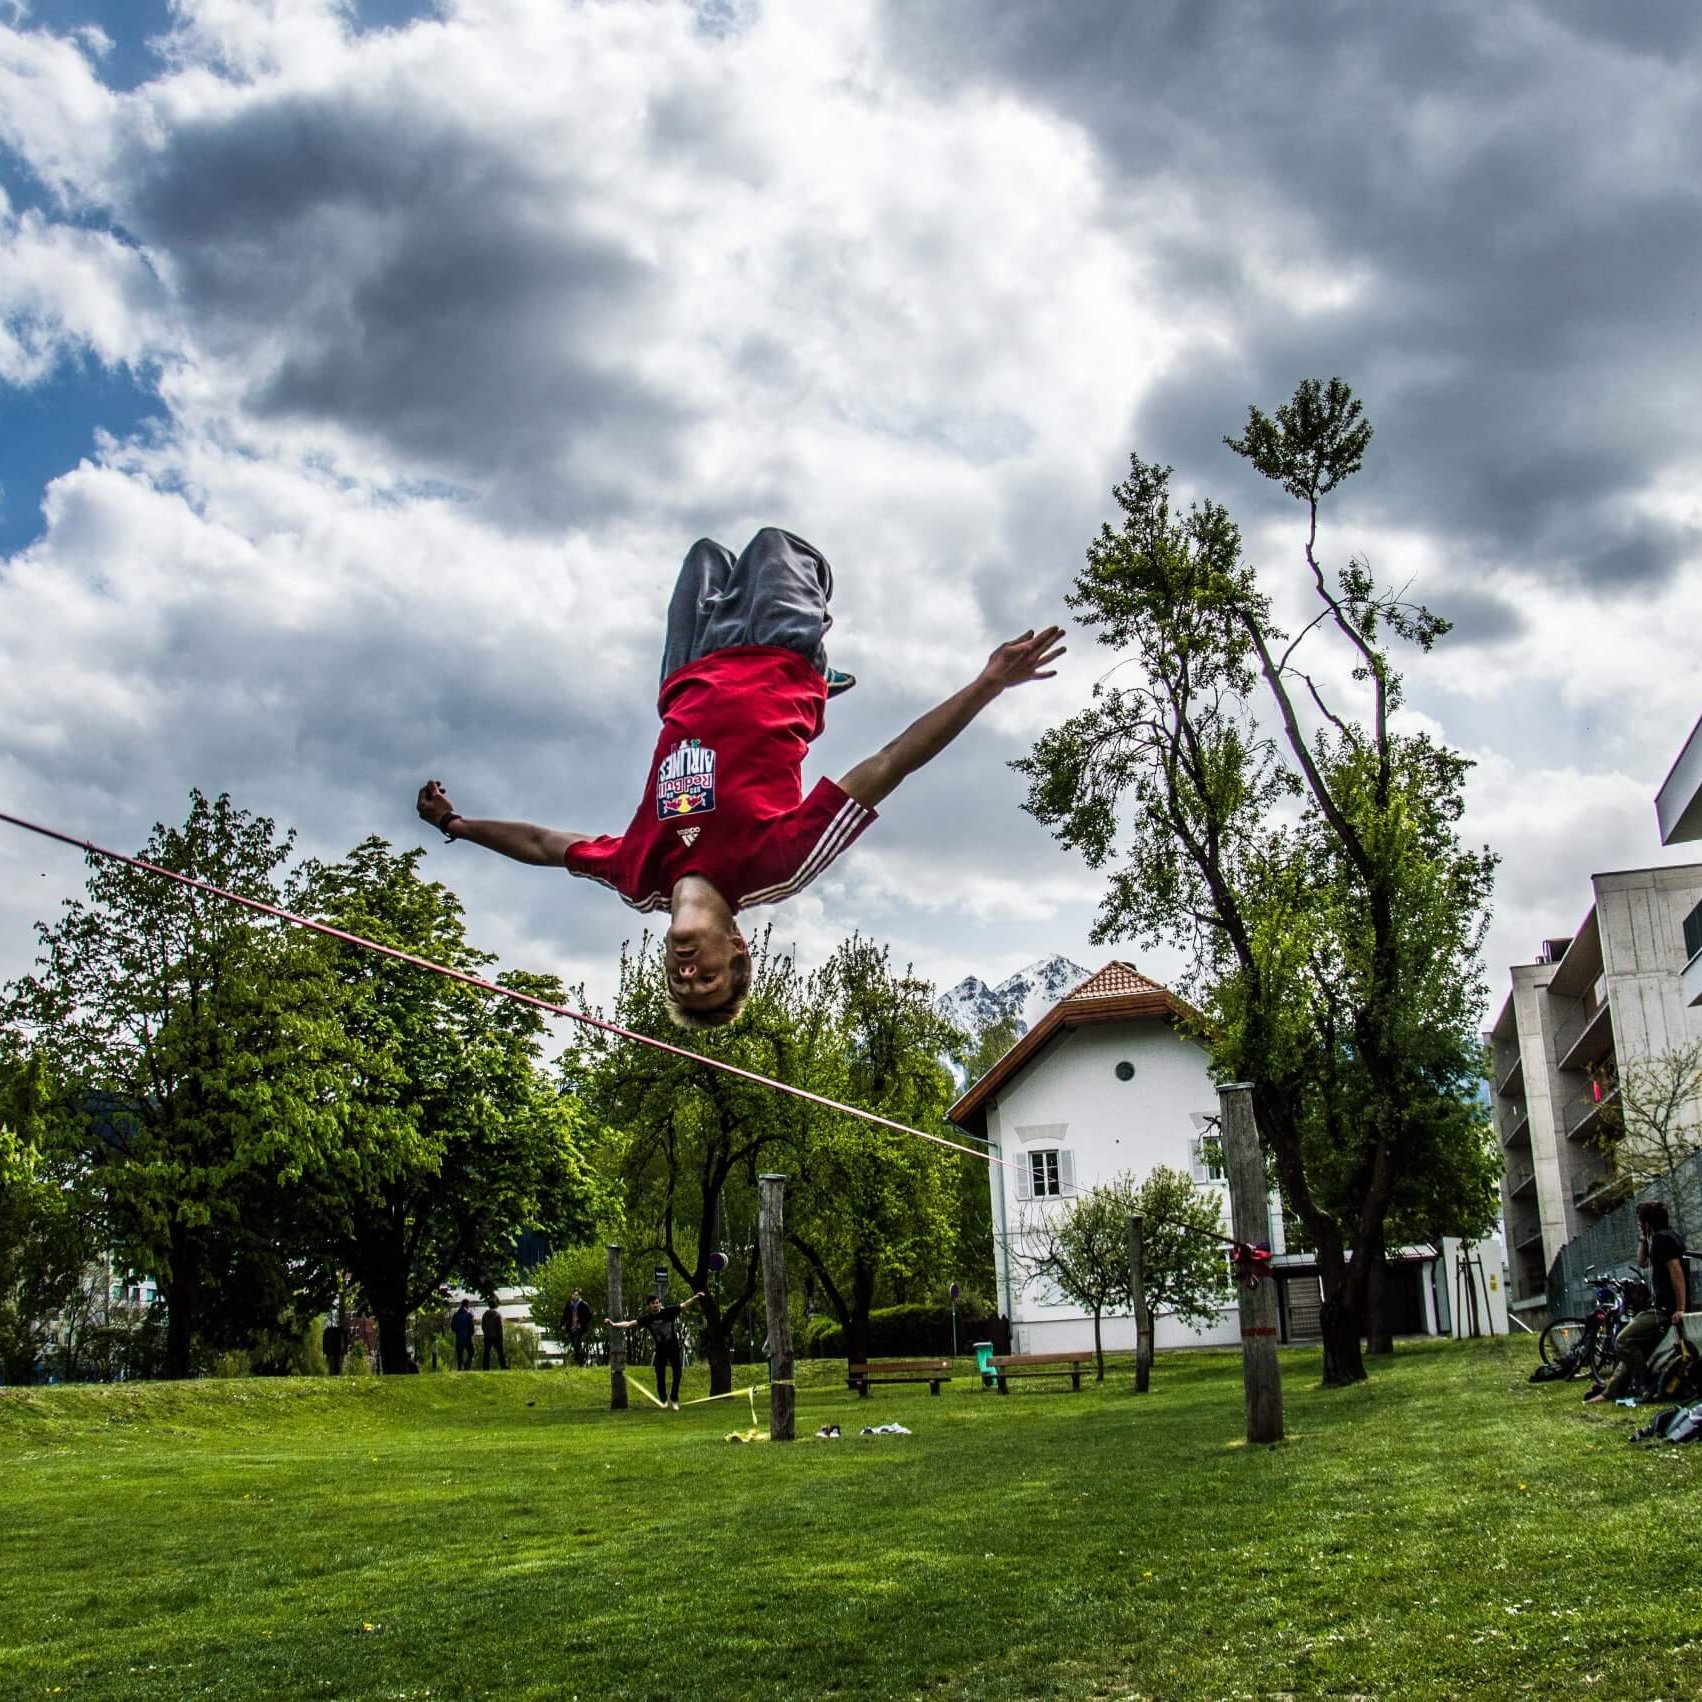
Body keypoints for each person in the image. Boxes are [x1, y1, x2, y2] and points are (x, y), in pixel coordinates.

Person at [417, 528, 1064, 1030]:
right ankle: (819, 679)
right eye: (707, 980)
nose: (688, 974)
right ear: (737, 948)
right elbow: (890, 764)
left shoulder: (637, 877)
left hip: (688, 671)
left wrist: (455, 824)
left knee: (703, 553)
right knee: (773, 545)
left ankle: (811, 680)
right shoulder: (778, 865)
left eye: (680, 983)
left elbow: (543, 846)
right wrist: (987, 684)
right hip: (779, 655)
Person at [1587, 1200, 1687, 1404]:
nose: (1639, 1225)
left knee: (1623, 1340)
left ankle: (1643, 1386)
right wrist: (1643, 1238)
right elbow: (1642, 1262)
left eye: (1641, 1222)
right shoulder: (1663, 1237)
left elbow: (1676, 1273)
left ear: (1648, 1222)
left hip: (1664, 1310)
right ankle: (1610, 1393)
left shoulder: (1662, 1240)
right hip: (1659, 1307)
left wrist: (1680, 1308)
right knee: (1634, 1348)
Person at [607, 1292, 707, 1410]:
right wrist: (613, 1324)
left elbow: (684, 1305)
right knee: (660, 1376)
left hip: (673, 1348)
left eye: (657, 1302)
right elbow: (629, 1324)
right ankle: (663, 1400)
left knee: (678, 1374)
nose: (656, 1305)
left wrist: (695, 1298)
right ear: (649, 1306)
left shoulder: (668, 1312)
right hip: (660, 1351)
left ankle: (674, 1399)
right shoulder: (648, 1319)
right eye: (653, 1303)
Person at [561, 1288, 592, 1367]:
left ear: (579, 1296)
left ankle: (578, 1360)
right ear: (572, 1295)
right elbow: (564, 1315)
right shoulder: (569, 1304)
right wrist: (563, 1324)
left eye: (577, 1295)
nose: (575, 1296)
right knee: (574, 1343)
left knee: (577, 1342)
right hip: (571, 1326)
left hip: (579, 1327)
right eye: (574, 1295)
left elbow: (589, 1315)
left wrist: (581, 1322)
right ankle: (578, 1360)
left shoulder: (583, 1304)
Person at [450, 1297, 476, 1372]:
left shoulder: (455, 1315)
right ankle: (466, 1365)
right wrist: (471, 1333)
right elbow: (471, 1327)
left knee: (460, 1356)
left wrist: (458, 1331)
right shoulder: (468, 1315)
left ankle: (459, 1369)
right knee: (472, 1352)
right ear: (467, 1305)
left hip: (459, 1338)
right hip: (468, 1338)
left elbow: (452, 1327)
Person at [481, 1300, 508, 1371]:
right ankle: (503, 1366)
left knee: (486, 1353)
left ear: (489, 1306)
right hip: (496, 1337)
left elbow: (483, 1326)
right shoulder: (497, 1314)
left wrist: (485, 1333)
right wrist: (501, 1337)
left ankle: (485, 1367)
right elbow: (500, 1327)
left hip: (487, 1336)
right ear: (495, 1306)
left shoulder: (485, 1314)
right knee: (500, 1353)